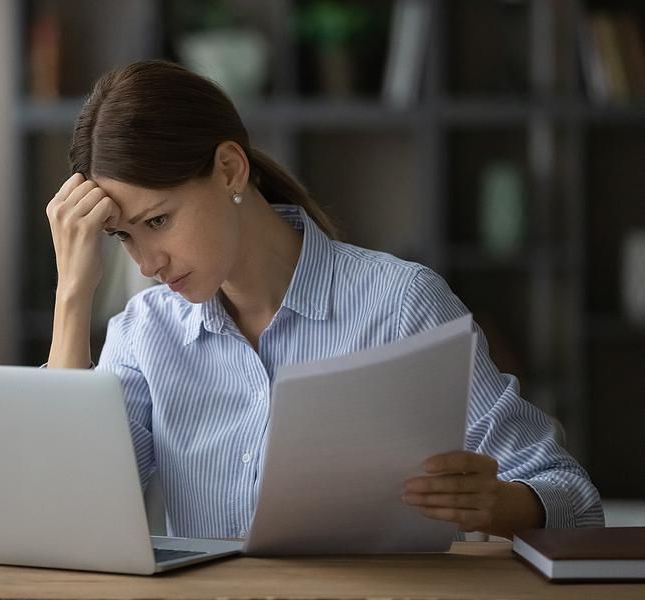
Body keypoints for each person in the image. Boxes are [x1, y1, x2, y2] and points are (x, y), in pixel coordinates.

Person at [44, 59, 604, 541]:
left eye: (158, 221)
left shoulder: (401, 306)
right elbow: (68, 517)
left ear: (230, 169)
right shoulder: (143, 334)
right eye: (123, 236)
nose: (146, 263)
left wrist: (502, 505)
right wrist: (72, 297)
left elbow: (577, 504)